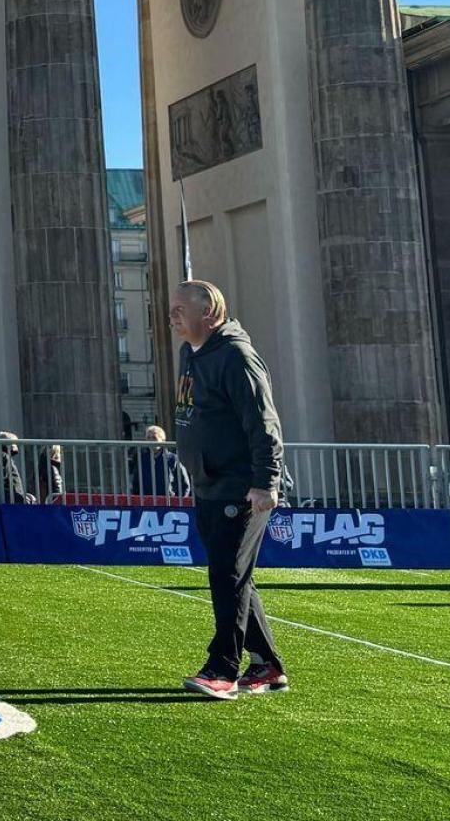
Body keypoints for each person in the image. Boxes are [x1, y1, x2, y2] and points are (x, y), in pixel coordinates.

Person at [172, 279, 288, 700]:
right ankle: (267, 665)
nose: (172, 315)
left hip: (240, 488)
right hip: (207, 484)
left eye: (181, 308)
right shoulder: (191, 352)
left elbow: (265, 425)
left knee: (227, 576)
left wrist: (265, 483)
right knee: (234, 575)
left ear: (209, 312)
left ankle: (223, 669)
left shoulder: (237, 356)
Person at [130, 424, 191, 501]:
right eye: (148, 438)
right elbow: (136, 484)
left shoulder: (173, 459)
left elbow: (185, 485)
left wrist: (179, 503)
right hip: (146, 504)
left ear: (162, 440)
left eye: (154, 438)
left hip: (169, 505)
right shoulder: (141, 459)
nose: (151, 441)